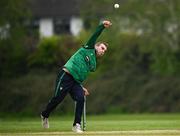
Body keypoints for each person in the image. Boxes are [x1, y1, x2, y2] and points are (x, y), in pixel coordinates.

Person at [40, 20, 112, 133]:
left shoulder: (93, 63)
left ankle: (76, 125)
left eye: (105, 51)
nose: (103, 51)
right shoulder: (88, 47)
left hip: (75, 82)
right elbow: (95, 34)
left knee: (80, 98)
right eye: (102, 48)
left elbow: (81, 74)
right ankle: (45, 115)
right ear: (96, 46)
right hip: (65, 75)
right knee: (58, 98)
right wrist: (102, 26)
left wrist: (81, 87)